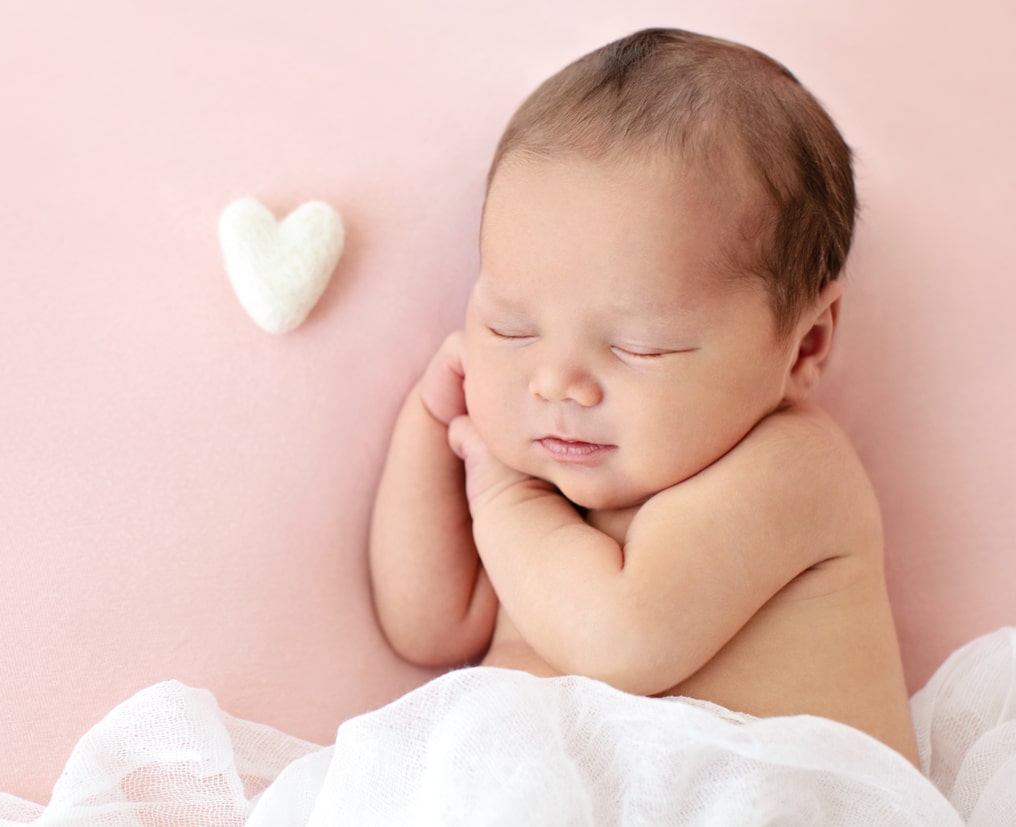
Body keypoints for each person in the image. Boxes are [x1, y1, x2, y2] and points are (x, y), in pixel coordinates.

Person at [368, 27, 919, 765]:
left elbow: (621, 638)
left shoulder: (794, 465)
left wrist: (499, 493)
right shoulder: (553, 474)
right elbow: (428, 627)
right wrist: (433, 427)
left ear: (806, 344)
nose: (557, 381)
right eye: (511, 328)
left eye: (640, 347)